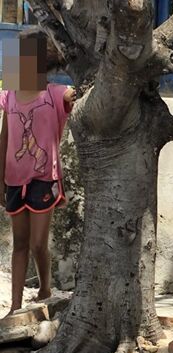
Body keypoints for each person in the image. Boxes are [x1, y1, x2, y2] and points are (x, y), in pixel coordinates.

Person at [0, 29, 74, 318]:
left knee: (38, 244)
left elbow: (80, 95)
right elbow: (5, 137)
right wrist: (0, 179)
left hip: (44, 178)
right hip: (14, 179)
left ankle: (45, 288)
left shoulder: (56, 94)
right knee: (20, 243)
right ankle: (15, 306)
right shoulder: (10, 95)